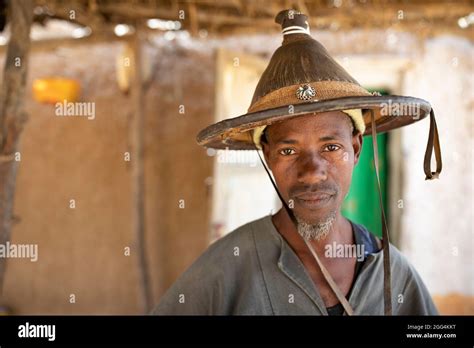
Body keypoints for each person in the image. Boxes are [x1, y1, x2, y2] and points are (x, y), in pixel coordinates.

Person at [152, 9, 441, 315]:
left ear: (356, 149)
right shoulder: (224, 270)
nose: (313, 173)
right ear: (267, 155)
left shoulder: (392, 274)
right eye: (288, 151)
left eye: (330, 147)